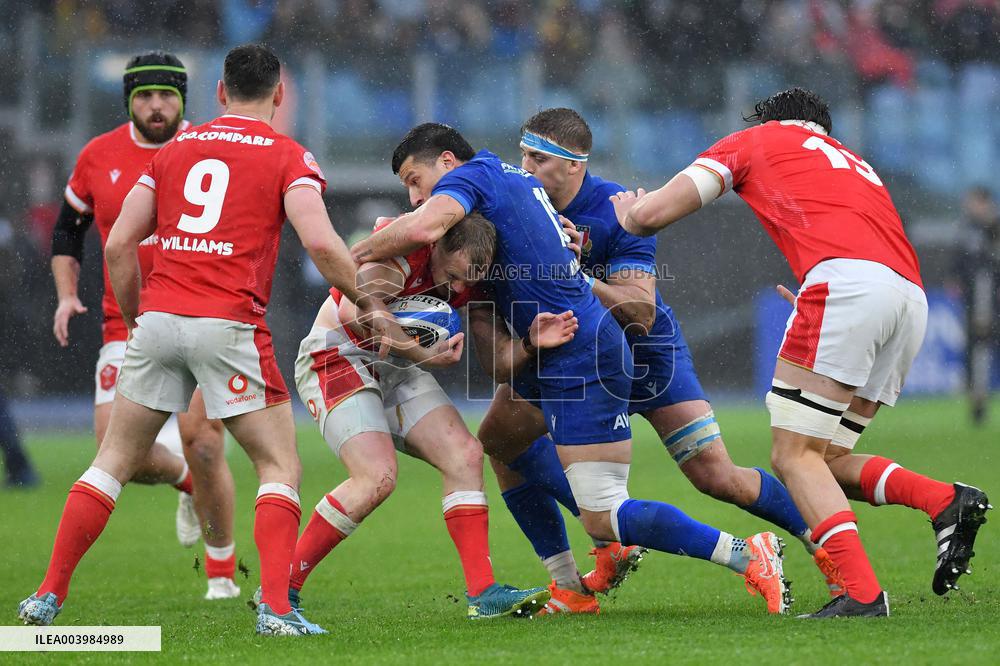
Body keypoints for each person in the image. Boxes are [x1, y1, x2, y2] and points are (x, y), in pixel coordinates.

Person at [18, 43, 424, 636]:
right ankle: (277, 611)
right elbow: (319, 240)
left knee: (111, 461)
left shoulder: (176, 148)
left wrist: (137, 321)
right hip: (229, 323)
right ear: (279, 96)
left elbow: (116, 246)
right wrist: (368, 302)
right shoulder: (289, 156)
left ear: (218, 94)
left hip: (159, 319)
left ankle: (47, 598)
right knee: (279, 463)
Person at [351, 123, 792, 616]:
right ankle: (570, 587)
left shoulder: (483, 180)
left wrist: (352, 256)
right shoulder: (494, 220)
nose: (414, 197)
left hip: (590, 355)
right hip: (560, 353)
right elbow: (498, 363)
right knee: (500, 442)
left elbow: (422, 226)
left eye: (417, 180)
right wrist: (525, 341)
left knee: (625, 508)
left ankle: (750, 552)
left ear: (450, 164)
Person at [613, 87, 991, 618]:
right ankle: (941, 500)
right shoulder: (856, 163)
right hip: (908, 297)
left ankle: (860, 593)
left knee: (793, 458)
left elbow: (654, 214)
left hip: (845, 291)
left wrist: (628, 214)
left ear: (771, 120)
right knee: (826, 463)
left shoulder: (757, 139)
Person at [476, 107, 843, 616]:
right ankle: (573, 579)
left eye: (538, 158)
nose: (526, 166)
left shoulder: (619, 208)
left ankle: (827, 549)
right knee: (499, 438)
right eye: (522, 155)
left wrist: (574, 268)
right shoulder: (518, 204)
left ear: (574, 165)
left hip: (646, 355)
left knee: (716, 476)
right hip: (570, 351)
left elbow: (640, 312)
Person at [289, 213, 560, 619]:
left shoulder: (470, 273)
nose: (460, 289)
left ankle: (482, 595)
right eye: (455, 276)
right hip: (336, 356)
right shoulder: (399, 257)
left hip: (394, 366)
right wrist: (421, 353)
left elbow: (492, 360)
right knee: (376, 477)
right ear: (436, 247)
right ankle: (280, 589)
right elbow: (352, 314)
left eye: (470, 280)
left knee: (465, 454)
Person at [49, 52, 239, 599]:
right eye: (144, 96)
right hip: (125, 324)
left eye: (167, 95)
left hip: (203, 316)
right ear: (129, 99)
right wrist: (66, 296)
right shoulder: (98, 155)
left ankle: (222, 574)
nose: (157, 106)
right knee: (117, 453)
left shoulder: (214, 149)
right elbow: (67, 232)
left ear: (184, 98)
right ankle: (185, 482)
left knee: (203, 444)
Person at [951, 186, 999, 425]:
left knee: (981, 348)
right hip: (975, 303)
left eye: (973, 202)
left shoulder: (993, 227)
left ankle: (979, 400)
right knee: (977, 349)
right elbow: (960, 262)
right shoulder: (967, 228)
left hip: (989, 300)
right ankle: (978, 402)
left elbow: (987, 270)